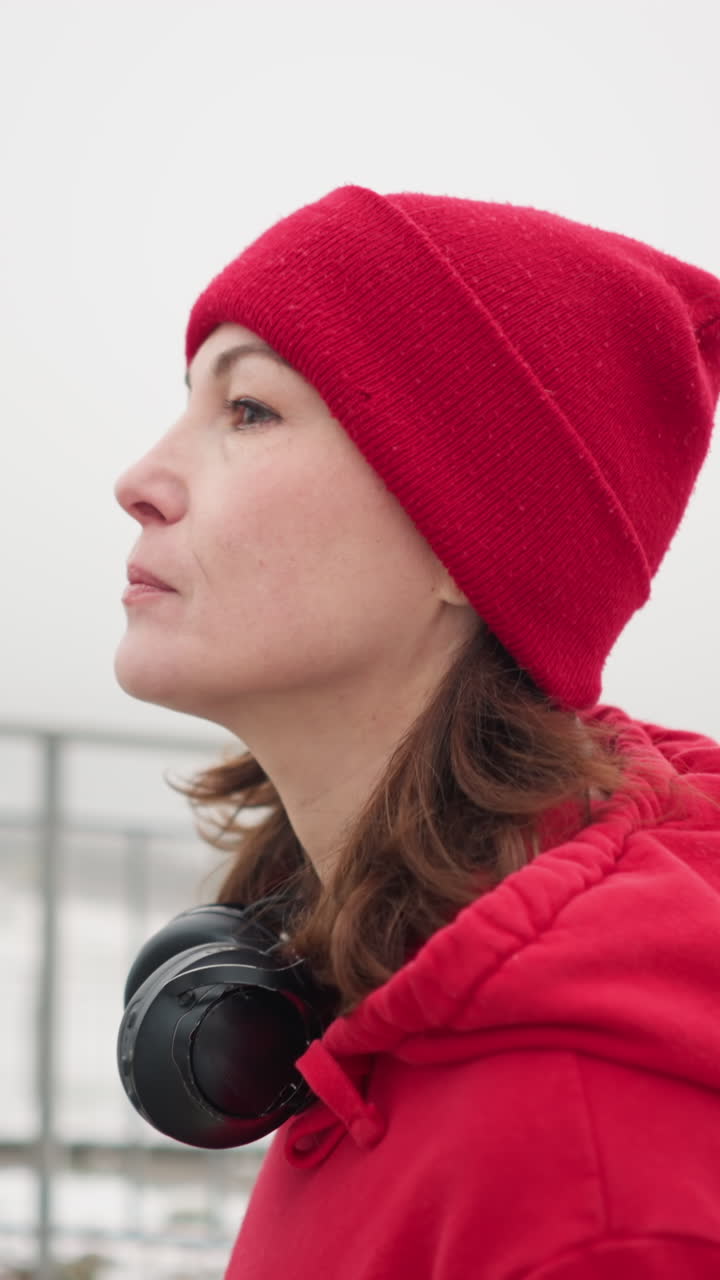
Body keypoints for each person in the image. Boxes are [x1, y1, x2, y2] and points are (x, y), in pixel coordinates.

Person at [114, 186, 720, 1278]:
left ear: (467, 546)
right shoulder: (381, 1006)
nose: (141, 481)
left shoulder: (593, 1183)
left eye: (249, 410)